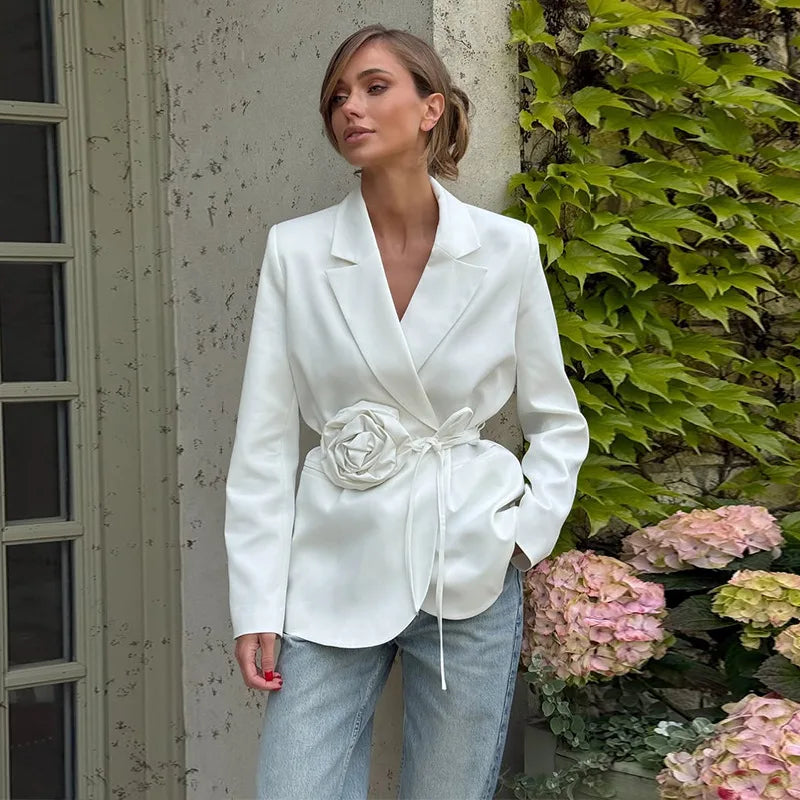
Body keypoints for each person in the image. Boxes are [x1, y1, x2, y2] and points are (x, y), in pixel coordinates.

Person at [223, 23, 590, 800]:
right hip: (331, 565)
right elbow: (262, 441)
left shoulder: (506, 249)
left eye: (374, 87)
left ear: (432, 108)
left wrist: (521, 540)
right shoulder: (296, 251)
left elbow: (558, 422)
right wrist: (255, 600)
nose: (349, 108)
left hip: (469, 564)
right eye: (336, 97)